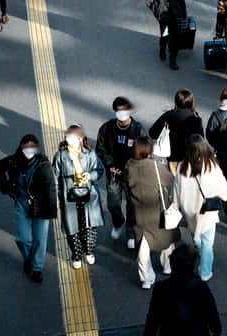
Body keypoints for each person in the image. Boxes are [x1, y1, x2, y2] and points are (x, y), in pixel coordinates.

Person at [142, 245, 223, 336]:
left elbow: (153, 317)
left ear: (172, 264)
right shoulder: (200, 287)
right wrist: (216, 328)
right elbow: (211, 311)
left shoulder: (161, 289)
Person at [0, 134, 57, 283]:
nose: (29, 150)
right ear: (21, 148)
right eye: (26, 147)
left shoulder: (43, 165)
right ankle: (28, 258)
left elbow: (51, 189)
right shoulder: (14, 161)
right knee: (23, 239)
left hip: (41, 206)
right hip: (22, 204)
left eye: (32, 147)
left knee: (40, 239)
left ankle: (36, 268)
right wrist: (6, 187)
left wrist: (51, 209)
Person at [172, 134, 227, 281]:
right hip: (207, 212)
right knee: (207, 243)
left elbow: (176, 189)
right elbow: (223, 188)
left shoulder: (182, 167)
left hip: (189, 209)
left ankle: (198, 248)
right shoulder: (211, 166)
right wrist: (226, 198)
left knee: (195, 233)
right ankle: (205, 272)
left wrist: (175, 206)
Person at [125, 137, 179, 289]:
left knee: (143, 246)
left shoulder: (129, 166)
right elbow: (169, 180)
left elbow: (126, 183)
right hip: (158, 210)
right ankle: (167, 266)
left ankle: (147, 279)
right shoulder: (155, 166)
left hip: (139, 213)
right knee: (166, 239)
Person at [96, 97, 147, 248]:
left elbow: (144, 151)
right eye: (118, 111)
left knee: (132, 204)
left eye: (124, 110)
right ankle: (119, 222)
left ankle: (131, 231)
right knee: (112, 203)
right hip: (113, 173)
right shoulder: (107, 128)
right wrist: (110, 164)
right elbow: (101, 148)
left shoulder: (138, 129)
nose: (121, 114)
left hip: (132, 174)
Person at [54, 125, 105, 270]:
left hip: (89, 195)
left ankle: (88, 251)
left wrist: (90, 176)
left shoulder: (89, 153)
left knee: (90, 225)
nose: (71, 139)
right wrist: (56, 199)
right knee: (72, 228)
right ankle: (76, 255)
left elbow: (99, 170)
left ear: (81, 138)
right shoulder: (60, 156)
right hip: (68, 196)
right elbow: (54, 178)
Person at [150, 89, 203, 175]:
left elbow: (152, 133)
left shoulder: (169, 115)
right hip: (190, 158)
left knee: (176, 182)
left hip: (174, 158)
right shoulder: (196, 117)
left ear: (176, 101)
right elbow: (201, 138)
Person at [143, 0, 187, 70]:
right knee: (165, 35)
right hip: (163, 16)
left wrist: (184, 14)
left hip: (175, 15)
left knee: (175, 38)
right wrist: (152, 7)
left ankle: (173, 60)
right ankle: (162, 48)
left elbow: (181, 0)